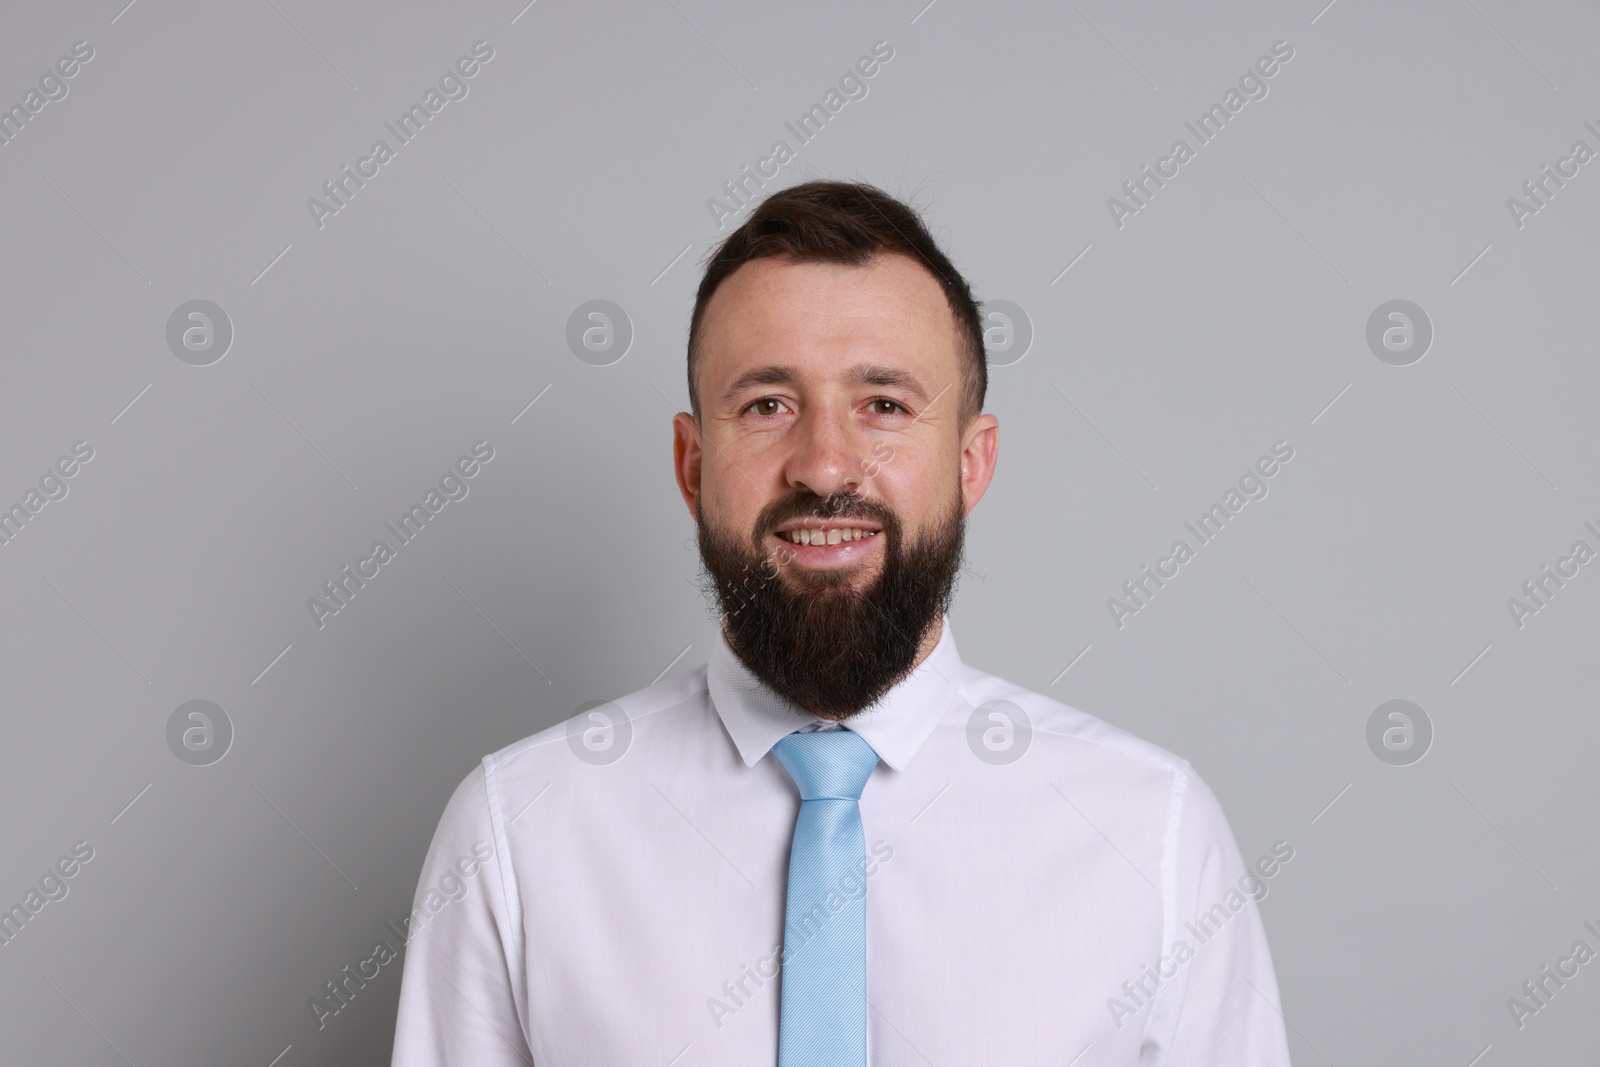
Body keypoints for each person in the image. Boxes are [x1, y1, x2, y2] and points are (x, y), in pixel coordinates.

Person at [389, 180, 1292, 1065]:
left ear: (971, 463)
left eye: (885, 406)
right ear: (692, 463)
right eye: (768, 405)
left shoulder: (1151, 835)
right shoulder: (516, 835)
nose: (825, 466)